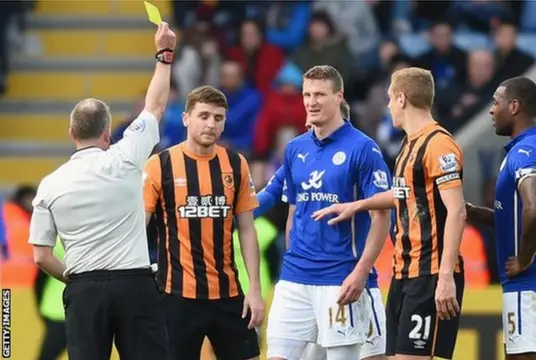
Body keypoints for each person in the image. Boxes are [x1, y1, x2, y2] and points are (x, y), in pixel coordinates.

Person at [27, 23, 176, 359]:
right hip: (135, 286)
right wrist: (164, 56)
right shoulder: (126, 157)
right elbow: (154, 108)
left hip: (84, 289)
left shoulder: (50, 184)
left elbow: (40, 255)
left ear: (71, 133)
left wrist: (78, 280)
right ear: (108, 133)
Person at [313, 67, 467, 360]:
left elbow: (457, 211)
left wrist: (446, 275)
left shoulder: (439, 144)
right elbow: (403, 194)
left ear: (401, 98)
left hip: (430, 272)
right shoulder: (410, 144)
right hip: (403, 271)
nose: (387, 106)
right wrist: (358, 205)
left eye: (389, 99)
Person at [266, 65, 391, 360]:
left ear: (339, 97)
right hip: (295, 278)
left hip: (340, 279)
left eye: (320, 94)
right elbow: (293, 212)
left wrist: (361, 271)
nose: (312, 101)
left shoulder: (363, 148)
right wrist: (291, 258)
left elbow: (382, 214)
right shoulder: (295, 149)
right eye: (307, 94)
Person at [143, 85, 264, 360]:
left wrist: (254, 289)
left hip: (228, 293)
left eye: (218, 118)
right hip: (176, 295)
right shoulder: (159, 165)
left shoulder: (236, 164)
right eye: (204, 116)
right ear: (186, 118)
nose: (211, 124)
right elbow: (138, 227)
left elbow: (247, 229)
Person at [465, 76, 536, 360]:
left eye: (496, 102)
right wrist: (474, 213)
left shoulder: (524, 153)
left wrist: (524, 258)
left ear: (514, 106)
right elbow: (515, 216)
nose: (491, 110)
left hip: (533, 276)